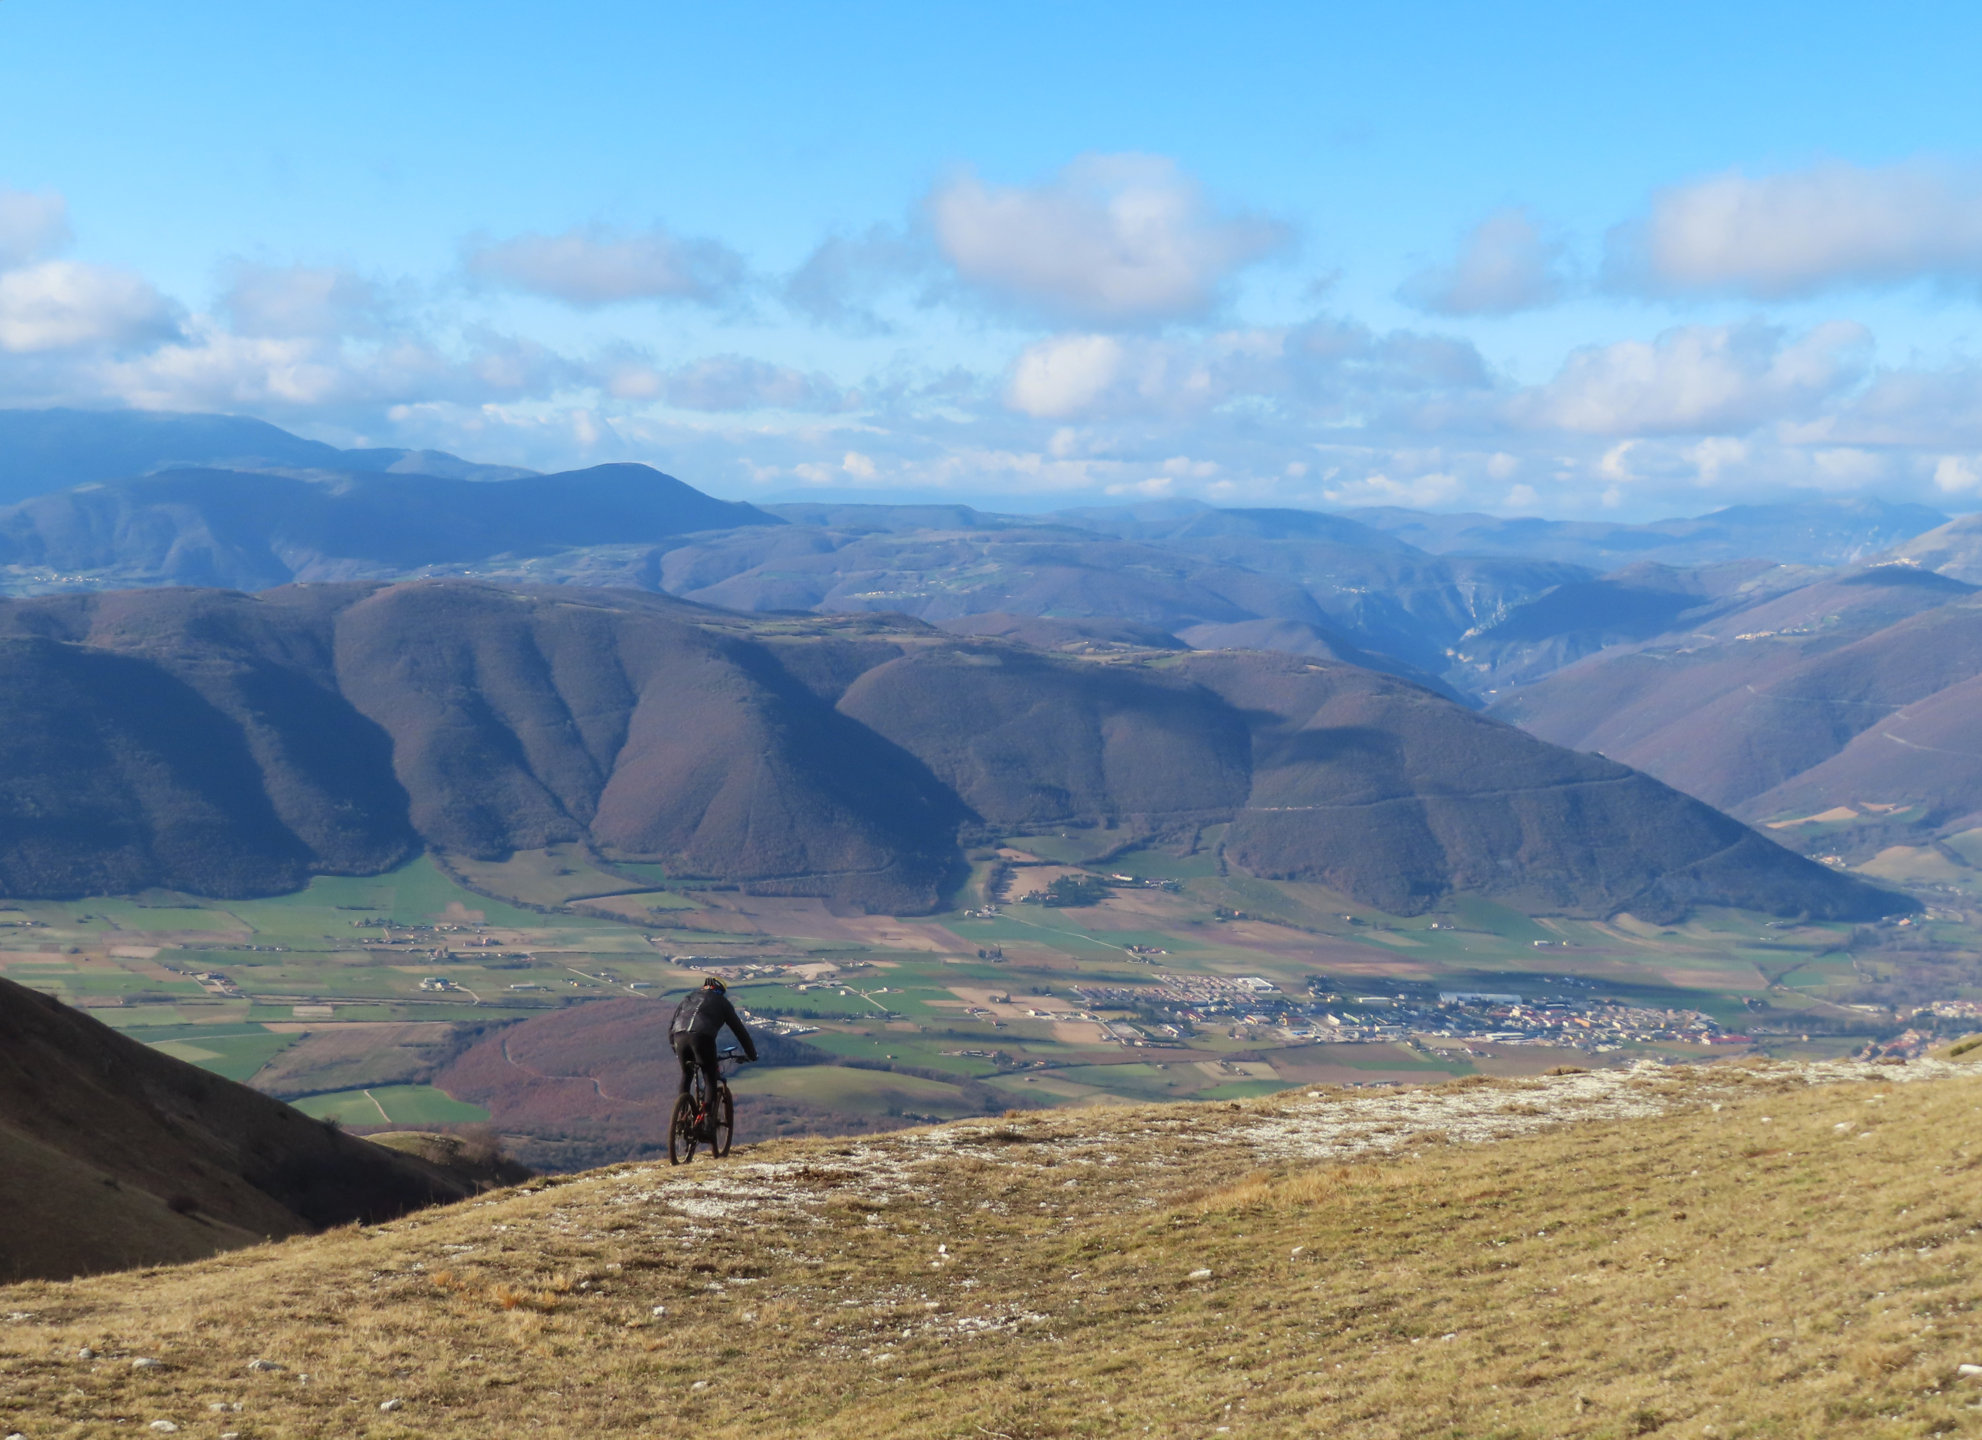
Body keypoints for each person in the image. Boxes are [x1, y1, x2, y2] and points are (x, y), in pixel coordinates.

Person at [668, 977, 757, 1134]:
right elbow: (740, 1031)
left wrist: (675, 1048)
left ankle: (682, 1115)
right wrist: (751, 1054)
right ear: (720, 991)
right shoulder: (722, 1003)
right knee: (710, 1077)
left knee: (686, 1074)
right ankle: (707, 1117)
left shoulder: (688, 998)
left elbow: (672, 1024)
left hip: (679, 1037)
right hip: (702, 1038)